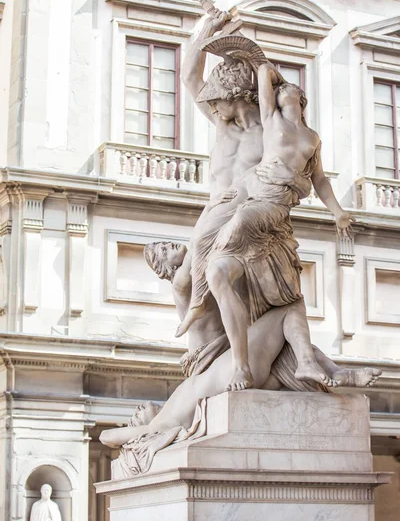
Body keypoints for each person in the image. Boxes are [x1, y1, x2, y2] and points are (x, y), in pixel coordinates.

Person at [176, 36, 354, 393]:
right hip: (219, 209)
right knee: (184, 281)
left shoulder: (272, 127)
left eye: (218, 97)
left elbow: (308, 177)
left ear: (236, 94)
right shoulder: (222, 124)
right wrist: (209, 34)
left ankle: (269, 364)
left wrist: (336, 211)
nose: (211, 104)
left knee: (243, 292)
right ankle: (209, 358)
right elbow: (189, 78)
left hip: (255, 213)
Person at [100, 240, 381, 452]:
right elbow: (105, 437)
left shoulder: (174, 403)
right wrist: (140, 431)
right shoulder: (159, 425)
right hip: (233, 369)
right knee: (289, 308)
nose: (137, 410)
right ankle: (323, 368)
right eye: (135, 417)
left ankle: (333, 371)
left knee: (287, 345)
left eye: (164, 246)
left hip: (230, 369)